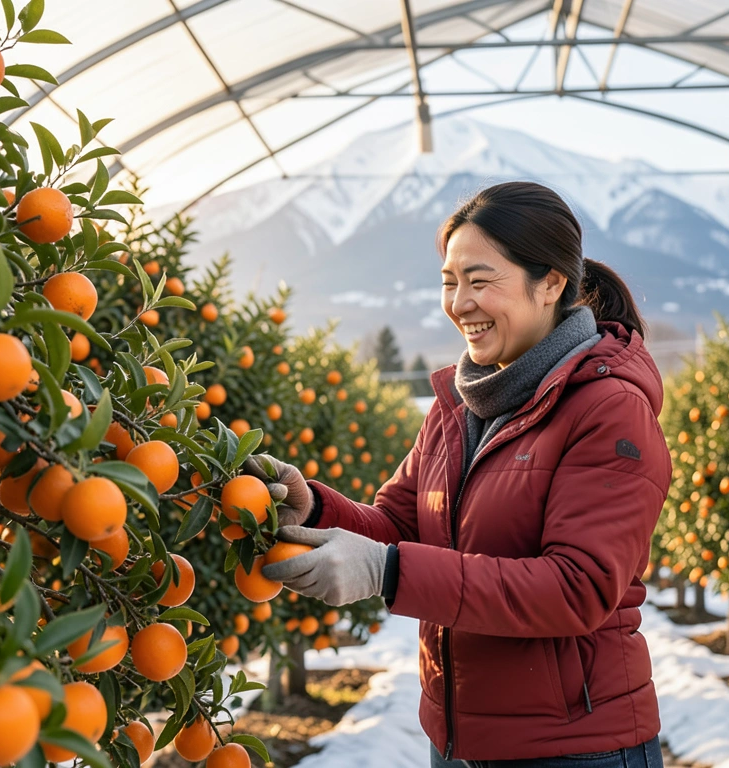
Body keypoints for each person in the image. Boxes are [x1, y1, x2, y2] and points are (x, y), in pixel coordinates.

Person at [245, 181, 671, 767]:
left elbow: (579, 588)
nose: (460, 303)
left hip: (574, 748)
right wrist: (316, 510)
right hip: (457, 740)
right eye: (449, 282)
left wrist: (388, 572)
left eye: (479, 280)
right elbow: (400, 524)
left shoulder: (608, 407)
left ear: (550, 283)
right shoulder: (460, 406)